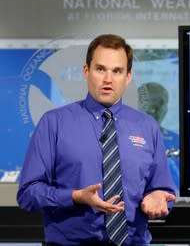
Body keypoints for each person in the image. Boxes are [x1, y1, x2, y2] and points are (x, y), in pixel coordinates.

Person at [17, 34, 176, 246]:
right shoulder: (53, 123)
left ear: (128, 77)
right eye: (100, 69)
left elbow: (164, 190)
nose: (108, 79)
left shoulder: (147, 127)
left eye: (117, 71)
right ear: (86, 71)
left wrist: (158, 197)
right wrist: (75, 197)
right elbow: (27, 194)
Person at [138, 82, 180, 190]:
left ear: (166, 109)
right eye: (149, 103)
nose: (153, 110)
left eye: (160, 104)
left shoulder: (178, 141)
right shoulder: (121, 140)